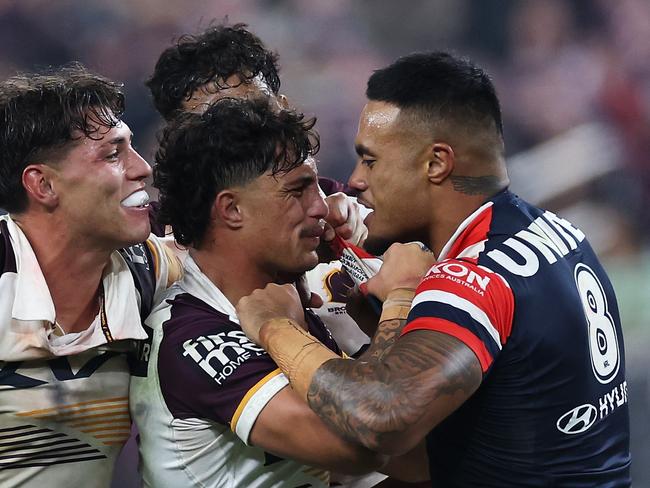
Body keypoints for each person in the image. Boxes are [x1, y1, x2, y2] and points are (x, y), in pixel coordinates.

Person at [236, 52, 632, 486]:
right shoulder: (558, 231)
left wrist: (277, 327)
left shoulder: (473, 278)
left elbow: (381, 417)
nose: (354, 180)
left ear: (436, 163)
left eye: (370, 160)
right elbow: (459, 444)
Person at [129, 98, 389, 487]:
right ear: (232, 209)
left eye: (317, 186)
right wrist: (400, 305)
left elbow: (411, 458)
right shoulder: (194, 338)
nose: (321, 206)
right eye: (298, 190)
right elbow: (365, 446)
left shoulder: (290, 296)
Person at [0, 65, 179, 486]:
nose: (142, 169)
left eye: (131, 148)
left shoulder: (151, 271)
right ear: (42, 185)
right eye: (113, 154)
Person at [146, 22, 372, 356]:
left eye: (254, 112)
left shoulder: (354, 214)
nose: (241, 133)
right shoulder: (149, 248)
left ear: (283, 108)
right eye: (212, 126)